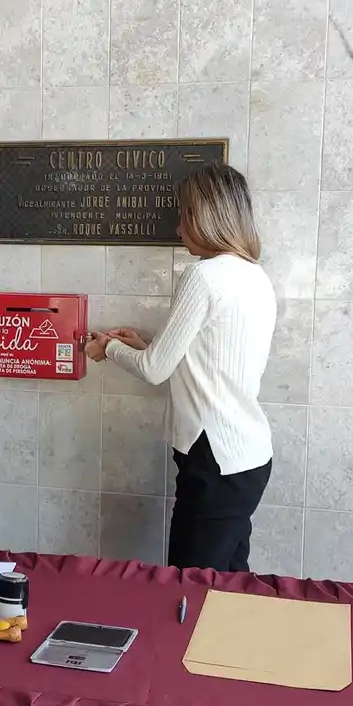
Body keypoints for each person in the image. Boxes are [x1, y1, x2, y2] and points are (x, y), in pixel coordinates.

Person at [86, 164, 276, 572]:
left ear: (207, 217)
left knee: (189, 584)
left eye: (184, 214)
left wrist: (110, 349)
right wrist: (144, 344)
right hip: (247, 457)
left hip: (215, 460)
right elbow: (205, 360)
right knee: (229, 580)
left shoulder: (203, 276)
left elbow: (155, 370)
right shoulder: (254, 276)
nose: (177, 227)